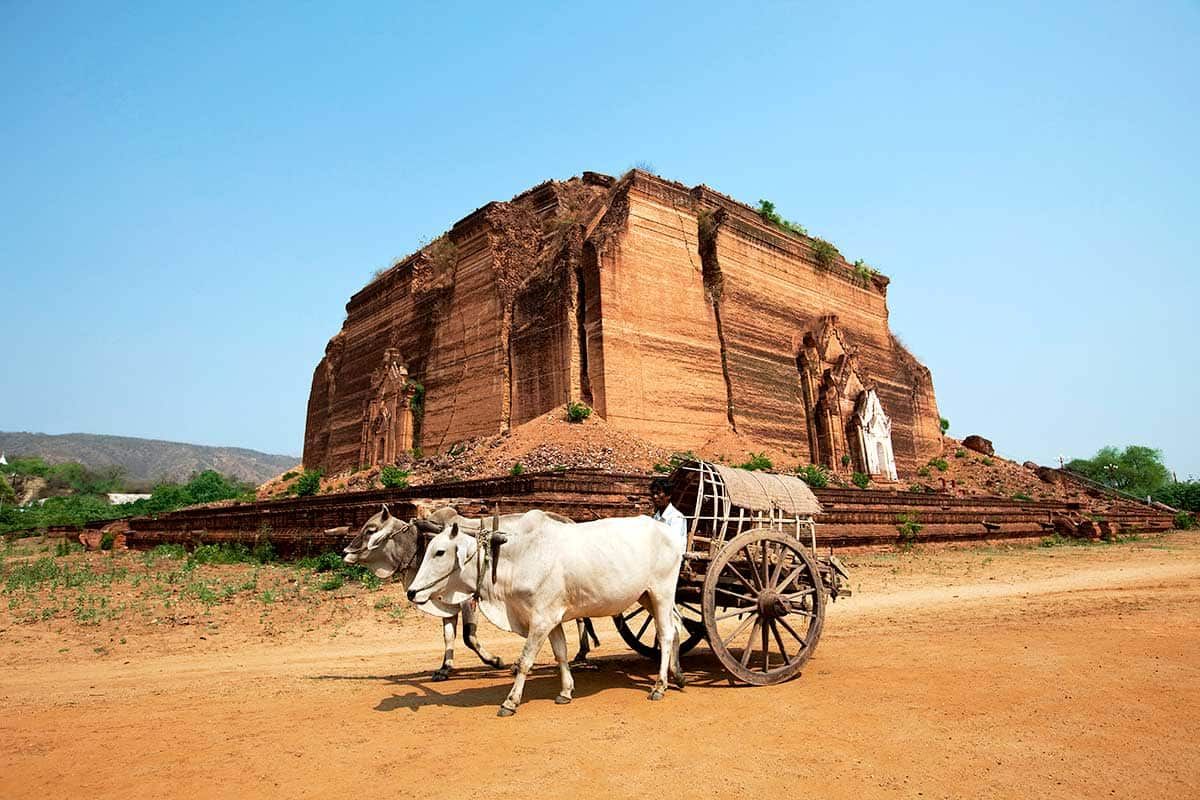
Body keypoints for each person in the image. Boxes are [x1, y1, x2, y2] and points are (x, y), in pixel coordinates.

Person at [649, 477, 687, 549]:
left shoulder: (676, 517)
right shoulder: (656, 517)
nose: (655, 496)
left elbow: (673, 544)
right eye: (653, 493)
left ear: (668, 495)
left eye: (658, 493)